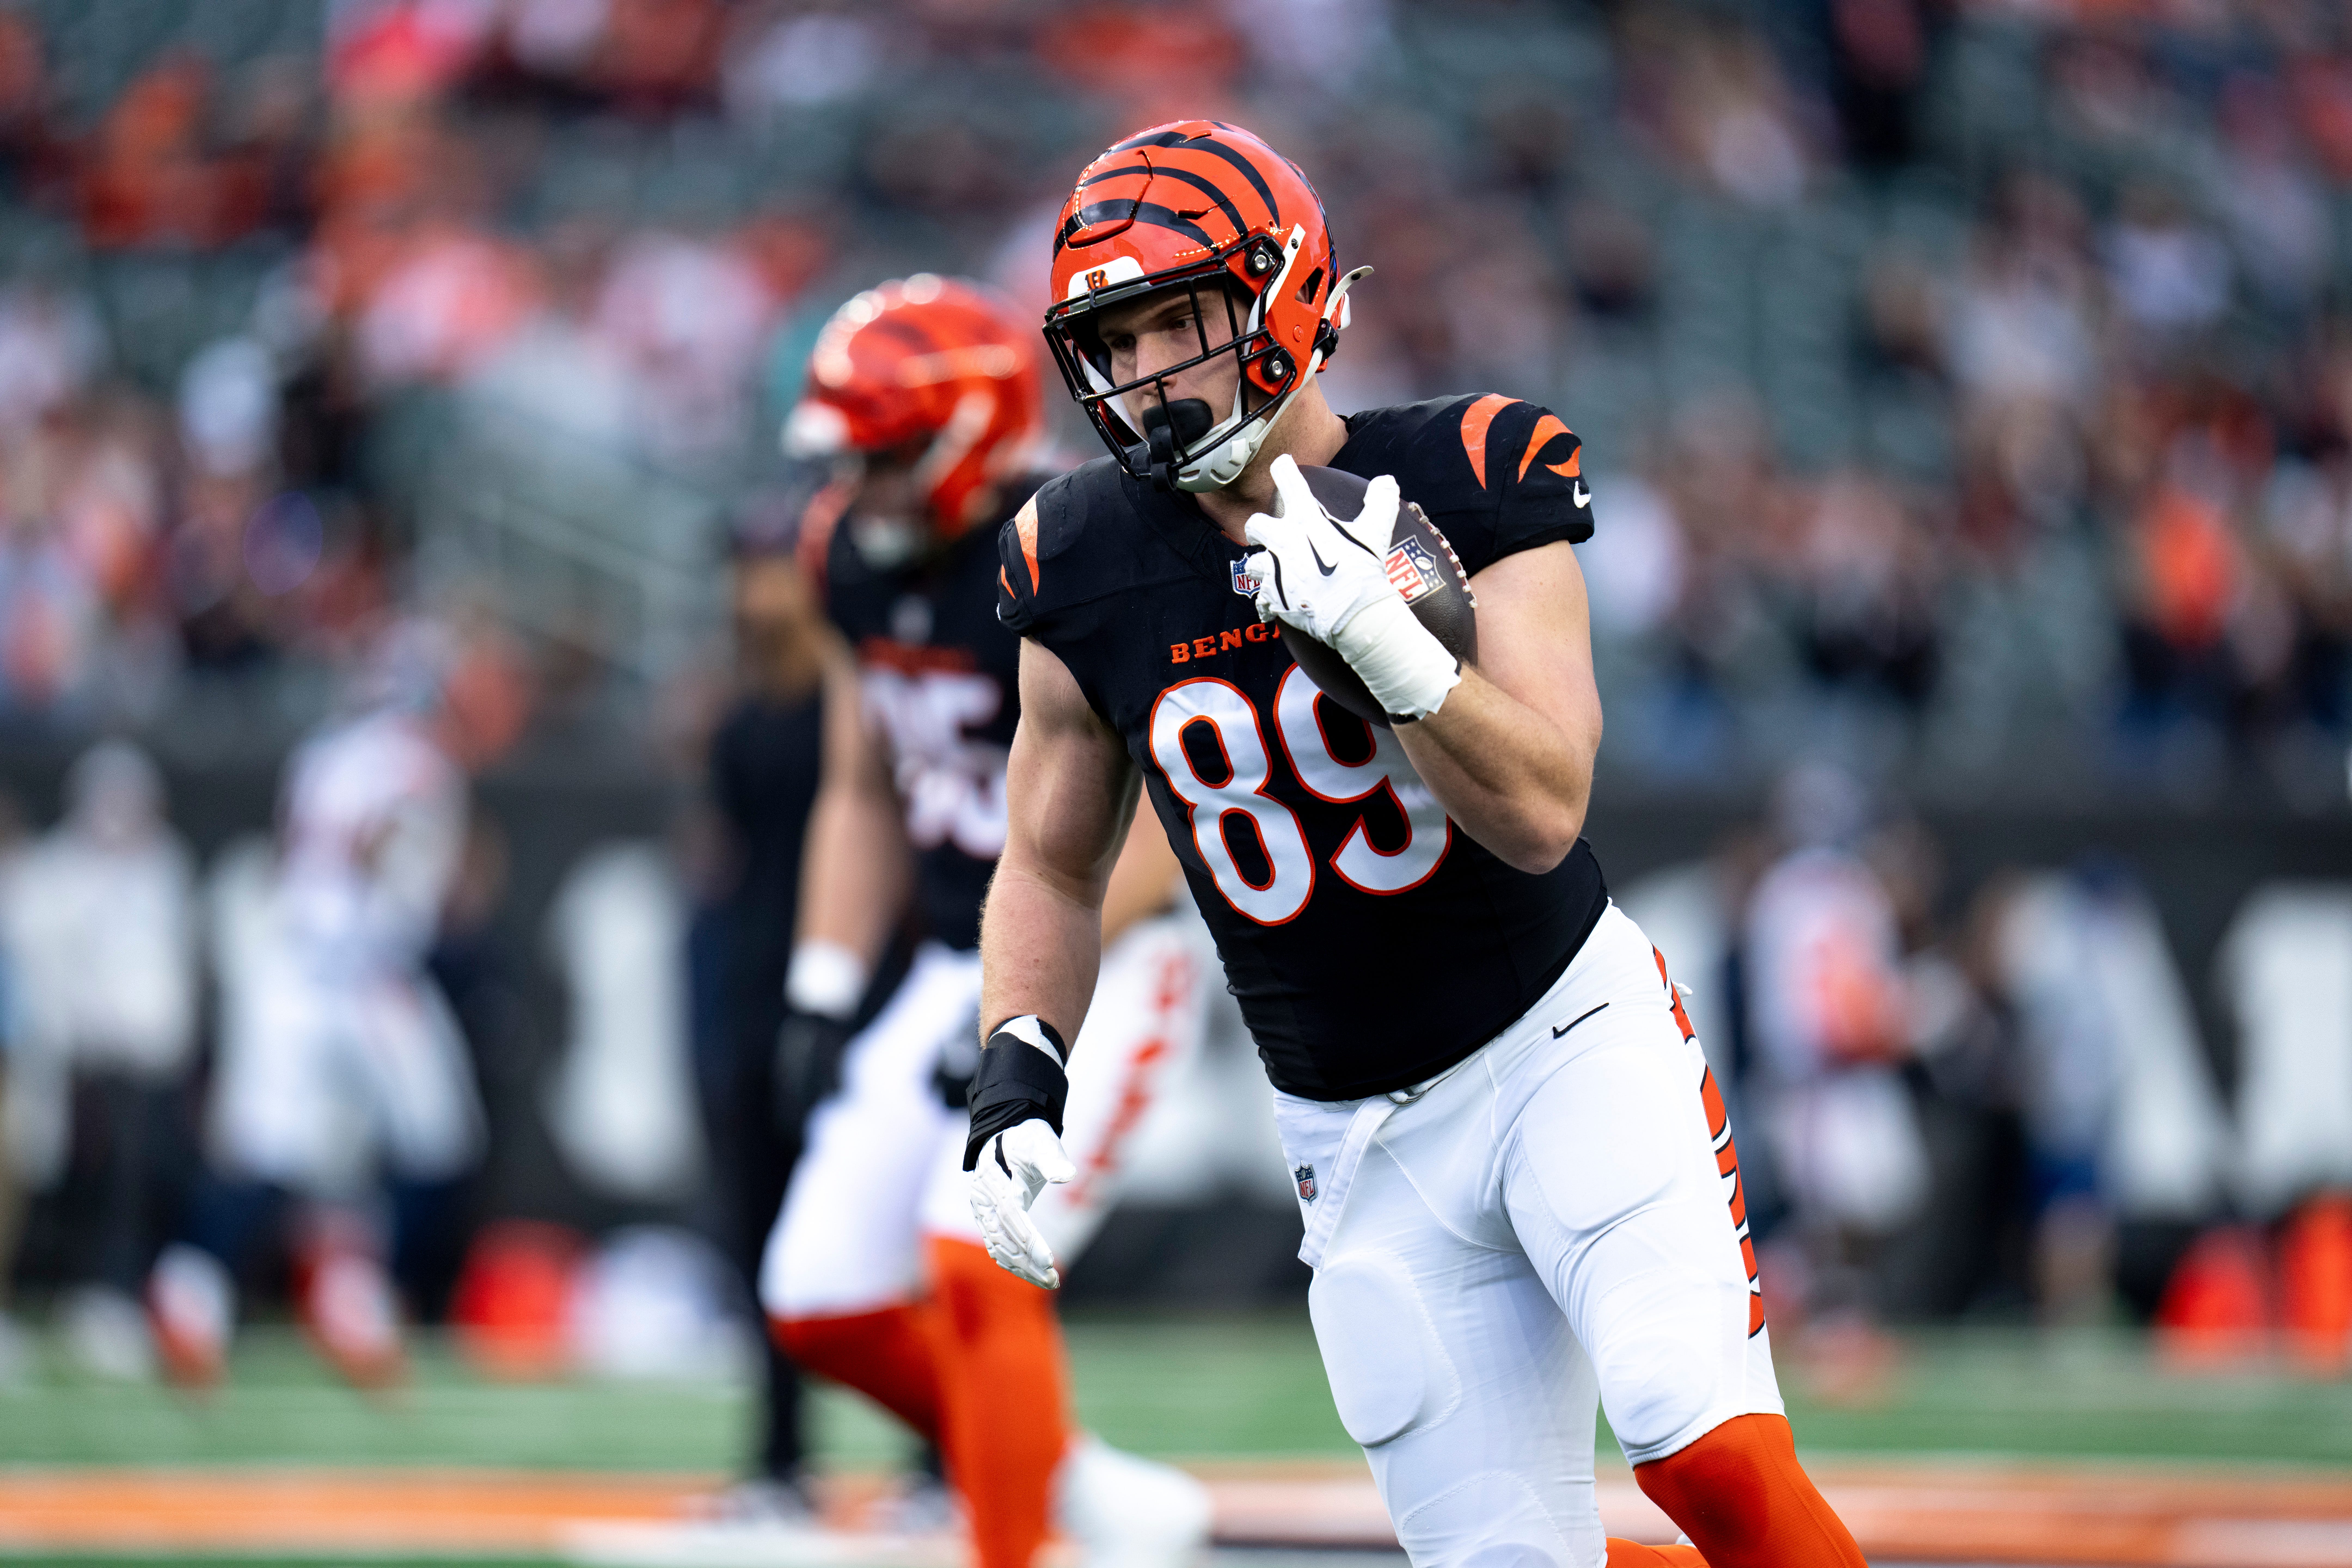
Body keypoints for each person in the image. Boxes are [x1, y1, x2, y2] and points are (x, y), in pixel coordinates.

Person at [970, 121, 1869, 1568]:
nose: (1141, 375)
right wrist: (1020, 1055)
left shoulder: (1467, 469)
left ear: (1283, 301)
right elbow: (1053, 858)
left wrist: (1395, 656)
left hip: (1564, 1045)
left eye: (1176, 323)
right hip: (1354, 1138)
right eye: (1113, 338)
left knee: (1705, 1452)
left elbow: (1543, 809)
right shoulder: (1073, 557)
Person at [757, 277, 1212, 1568]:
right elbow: (861, 780)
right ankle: (1070, 1483)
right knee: (821, 1300)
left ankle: (1011, 1545)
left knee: (975, 1259)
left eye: (888, 453)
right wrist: (824, 985)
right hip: (958, 953)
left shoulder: (1082, 548)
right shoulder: (842, 553)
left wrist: (1023, 1017)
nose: (862, 486)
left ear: (968, 436)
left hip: (1109, 948)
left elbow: (1158, 835)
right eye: (852, 454)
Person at [148, 620, 484, 1389]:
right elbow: (375, 848)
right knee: (309, 1150)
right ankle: (201, 1294)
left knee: (387, 1144)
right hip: (339, 974)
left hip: (329, 970)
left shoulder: (328, 754)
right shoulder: (410, 761)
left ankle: (333, 1297)